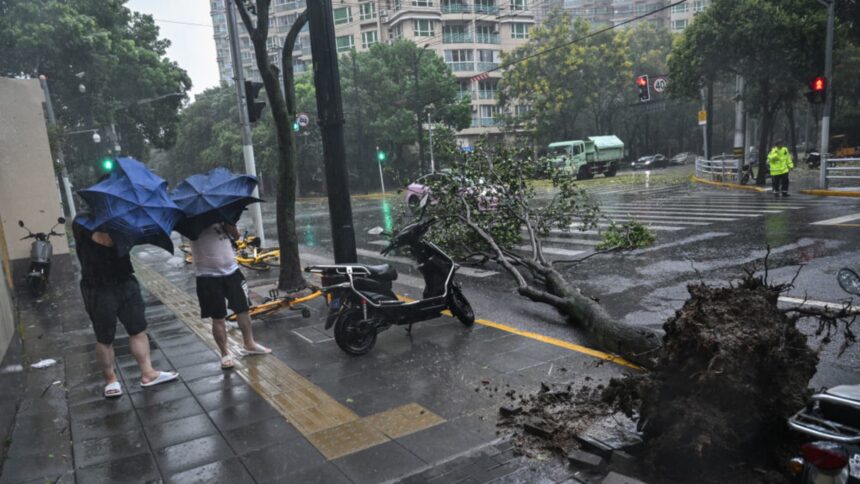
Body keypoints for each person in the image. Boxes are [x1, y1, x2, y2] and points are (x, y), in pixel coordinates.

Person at [73, 214, 179, 398]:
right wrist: (125, 229)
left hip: (125, 281)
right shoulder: (83, 220)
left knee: (138, 329)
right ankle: (111, 380)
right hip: (98, 287)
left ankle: (148, 373)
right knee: (105, 337)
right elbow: (105, 240)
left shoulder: (123, 219)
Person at [190, 222, 270, 369]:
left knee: (243, 309)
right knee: (218, 316)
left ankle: (249, 343)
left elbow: (236, 235)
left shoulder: (223, 215)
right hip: (207, 276)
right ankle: (225, 353)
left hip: (232, 272)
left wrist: (228, 225)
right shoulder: (191, 221)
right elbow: (192, 235)